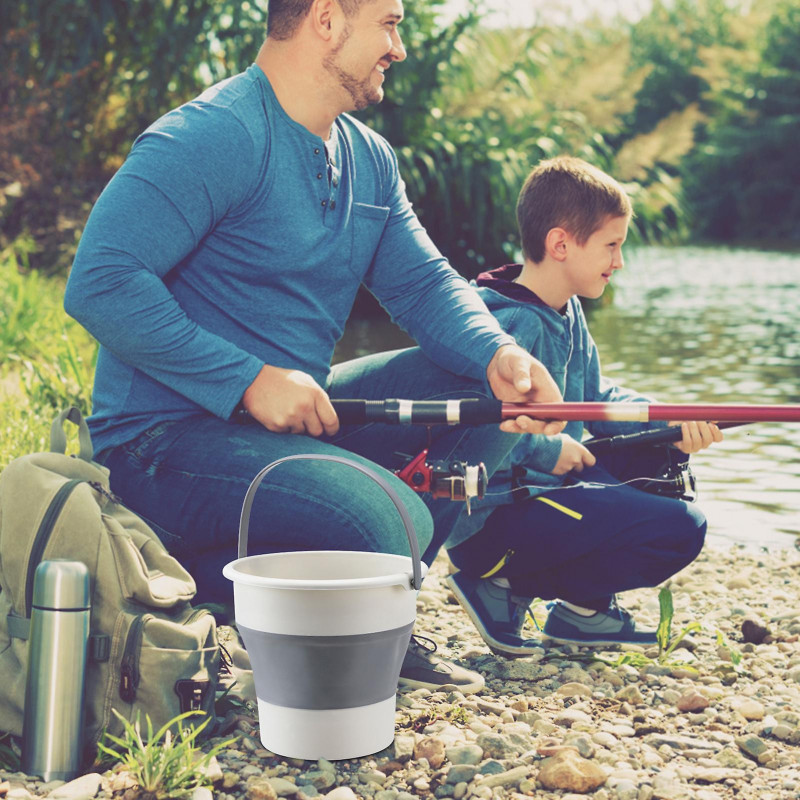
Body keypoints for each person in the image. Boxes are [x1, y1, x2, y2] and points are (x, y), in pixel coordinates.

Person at [63, 0, 566, 692]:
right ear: (326, 20)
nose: (401, 47)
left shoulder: (369, 159)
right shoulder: (213, 135)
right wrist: (247, 380)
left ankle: (356, 600)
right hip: (160, 444)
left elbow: (422, 283)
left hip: (283, 432)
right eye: (389, 23)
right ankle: (179, 581)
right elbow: (100, 281)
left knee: (489, 393)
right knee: (390, 520)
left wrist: (498, 355)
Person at [445, 156, 723, 655]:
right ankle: (498, 586)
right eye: (611, 246)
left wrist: (669, 418)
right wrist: (550, 453)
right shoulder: (510, 326)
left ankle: (583, 613)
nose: (619, 262)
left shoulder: (566, 308)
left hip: (539, 492)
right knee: (683, 529)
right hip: (490, 520)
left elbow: (597, 398)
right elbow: (482, 432)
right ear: (560, 244)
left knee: (660, 452)